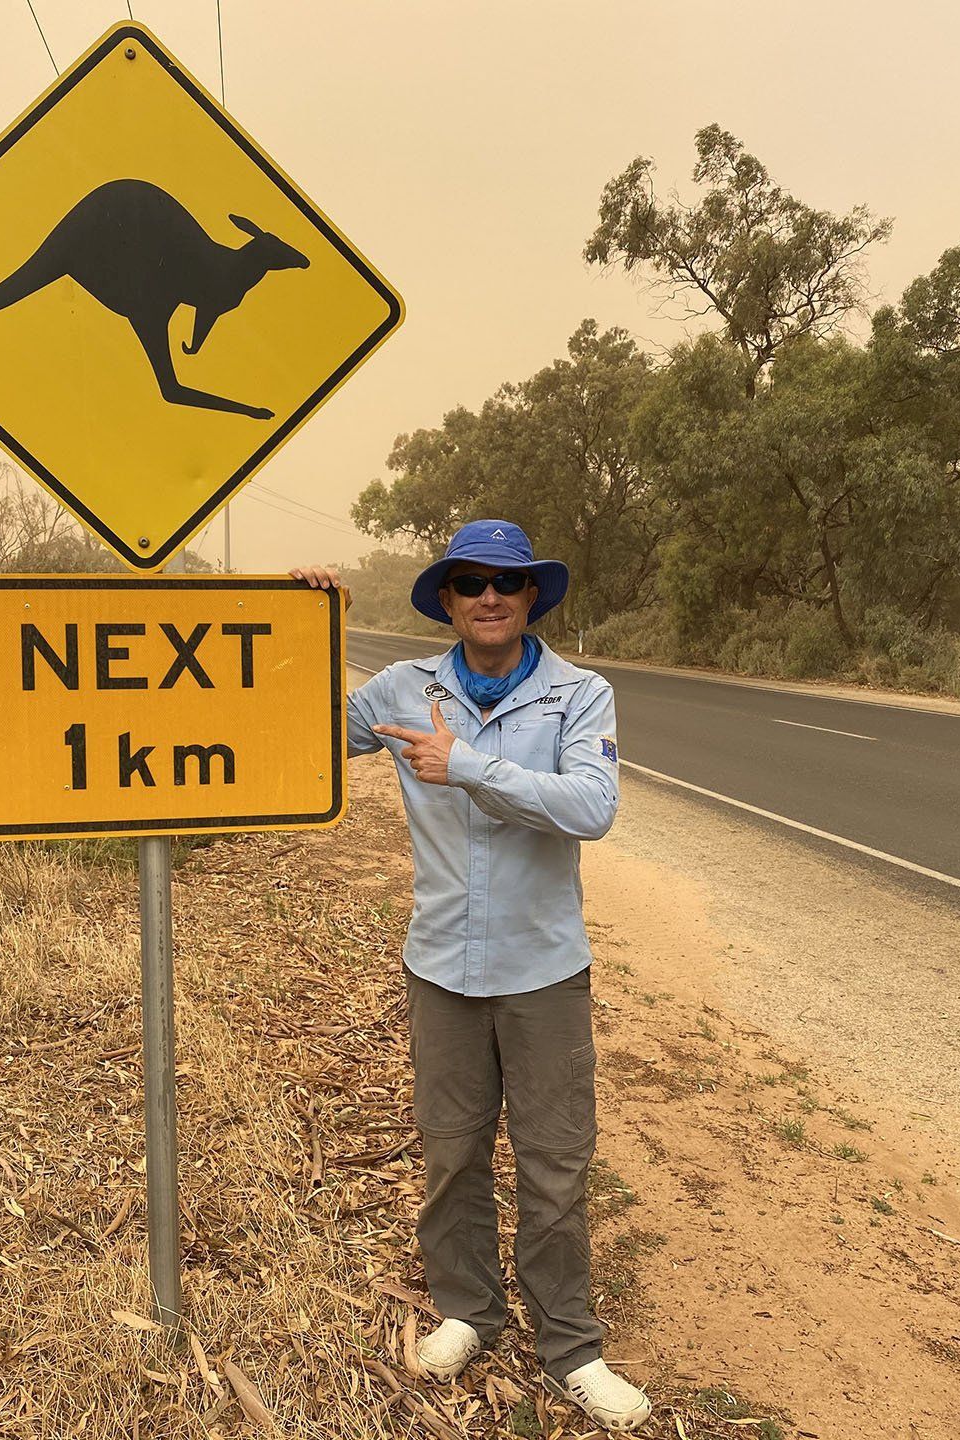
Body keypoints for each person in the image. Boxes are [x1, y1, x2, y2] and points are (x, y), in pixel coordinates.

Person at [291, 519, 651, 1433]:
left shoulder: (580, 694)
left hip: (544, 972)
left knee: (556, 1164)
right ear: (446, 600)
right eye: (469, 582)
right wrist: (307, 629)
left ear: (533, 597)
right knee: (452, 1153)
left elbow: (593, 806)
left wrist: (469, 766)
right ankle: (468, 1312)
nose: (489, 597)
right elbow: (298, 734)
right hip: (441, 966)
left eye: (508, 582)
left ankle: (572, 1345)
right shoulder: (400, 691)